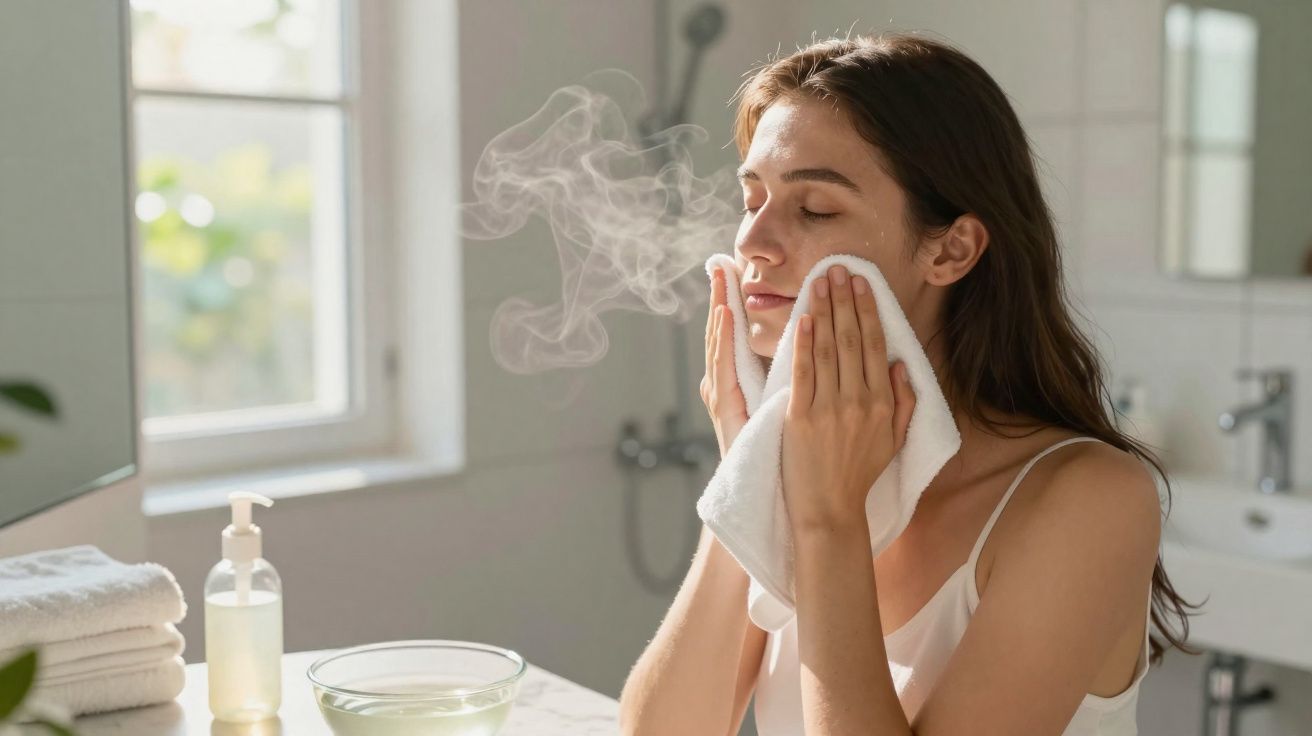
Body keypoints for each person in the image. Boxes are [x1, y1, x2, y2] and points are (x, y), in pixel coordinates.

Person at [619, 32, 1201, 735]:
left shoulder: (1089, 499)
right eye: (752, 200)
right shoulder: (795, 461)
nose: (752, 242)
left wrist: (829, 523)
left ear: (950, 249)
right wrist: (747, 467)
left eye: (815, 210)